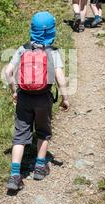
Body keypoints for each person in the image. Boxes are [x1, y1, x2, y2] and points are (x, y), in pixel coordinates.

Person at [5, 12, 70, 191]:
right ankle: (40, 166)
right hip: (43, 98)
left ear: (32, 29)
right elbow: (60, 77)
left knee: (20, 135)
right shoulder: (52, 52)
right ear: (52, 31)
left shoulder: (23, 48)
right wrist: (65, 97)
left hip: (24, 97)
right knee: (43, 131)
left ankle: (15, 175)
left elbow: (7, 72)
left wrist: (14, 91)